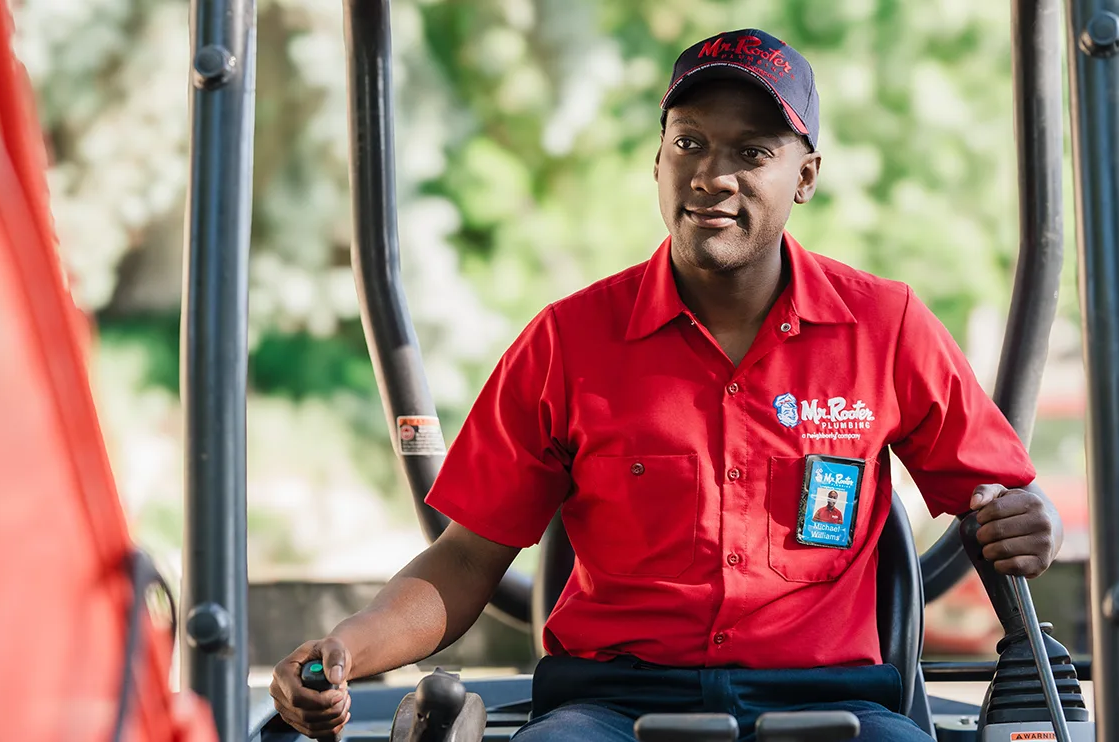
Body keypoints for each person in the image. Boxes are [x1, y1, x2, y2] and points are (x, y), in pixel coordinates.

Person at [269, 28, 1064, 742]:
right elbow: (467, 558)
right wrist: (347, 647)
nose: (713, 175)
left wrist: (1038, 524)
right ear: (658, 162)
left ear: (805, 176)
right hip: (611, 710)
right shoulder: (567, 342)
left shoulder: (886, 328)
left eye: (752, 152)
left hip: (835, 707)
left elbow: (1006, 503)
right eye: (690, 143)